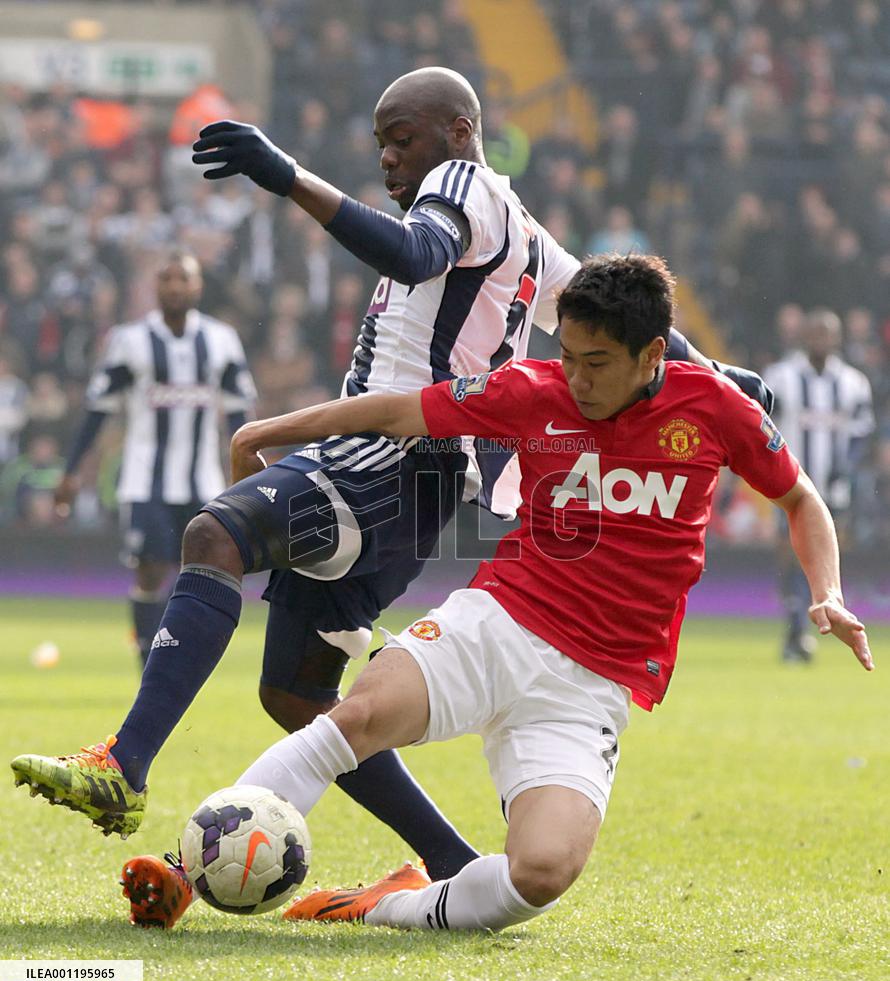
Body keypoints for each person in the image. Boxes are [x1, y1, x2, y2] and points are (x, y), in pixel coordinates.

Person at [11, 69, 771, 889]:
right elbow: (629, 319)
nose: (387, 158)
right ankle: (450, 864)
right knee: (299, 698)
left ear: (457, 129)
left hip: (392, 459)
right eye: (379, 143)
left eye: (399, 138)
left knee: (213, 534)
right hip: (426, 494)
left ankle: (124, 766)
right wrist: (723, 378)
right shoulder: (529, 239)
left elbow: (414, 253)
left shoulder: (463, 184)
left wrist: (287, 175)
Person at [115, 254, 872, 931]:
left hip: (594, 685)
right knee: (359, 716)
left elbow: (801, 500)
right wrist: (268, 430)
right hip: (499, 623)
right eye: (569, 356)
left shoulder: (715, 408)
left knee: (540, 875)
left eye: (597, 363)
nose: (576, 378)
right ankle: (184, 871)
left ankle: (386, 904)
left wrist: (827, 592)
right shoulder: (531, 390)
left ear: (651, 355)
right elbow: (398, 409)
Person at [52, 250, 256, 667]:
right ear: (155, 287)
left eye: (184, 278)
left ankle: (187, 659)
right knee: (149, 571)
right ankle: (148, 662)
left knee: (206, 572)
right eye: (167, 279)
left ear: (198, 286)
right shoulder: (129, 341)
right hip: (146, 480)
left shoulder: (220, 340)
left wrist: (247, 476)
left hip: (203, 481)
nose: (176, 287)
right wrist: (71, 472)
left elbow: (240, 415)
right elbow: (98, 411)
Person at [765, 309, 874, 662]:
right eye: (815, 334)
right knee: (790, 552)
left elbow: (861, 434)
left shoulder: (853, 382)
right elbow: (764, 427)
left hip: (835, 486)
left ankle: (812, 617)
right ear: (803, 337)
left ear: (838, 339)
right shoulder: (781, 377)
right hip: (790, 486)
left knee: (826, 553)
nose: (820, 341)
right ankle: (796, 622)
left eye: (827, 334)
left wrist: (846, 467)